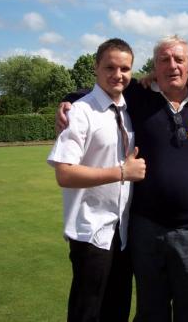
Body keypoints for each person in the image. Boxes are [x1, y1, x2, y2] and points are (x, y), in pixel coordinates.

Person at [58, 35, 188, 322]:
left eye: (179, 59)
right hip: (145, 229)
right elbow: (101, 92)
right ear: (153, 67)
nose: (172, 65)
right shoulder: (138, 96)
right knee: (150, 312)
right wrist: (68, 102)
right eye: (164, 60)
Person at [47, 38, 146, 322]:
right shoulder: (79, 112)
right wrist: (122, 172)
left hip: (123, 232)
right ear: (96, 68)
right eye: (110, 67)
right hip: (90, 232)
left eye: (125, 68)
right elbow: (64, 173)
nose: (118, 75)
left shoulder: (128, 110)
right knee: (86, 313)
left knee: (117, 311)